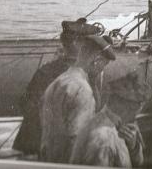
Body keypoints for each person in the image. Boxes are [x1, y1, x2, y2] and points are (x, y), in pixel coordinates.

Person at [14, 19, 102, 155]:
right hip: (53, 149)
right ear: (80, 45)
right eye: (91, 48)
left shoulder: (45, 70)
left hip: (32, 143)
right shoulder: (82, 76)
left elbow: (25, 105)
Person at [40, 34, 116, 163]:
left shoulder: (58, 82)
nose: (102, 70)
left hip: (49, 160)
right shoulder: (83, 90)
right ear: (97, 60)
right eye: (104, 64)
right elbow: (78, 140)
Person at [70, 70, 151, 167]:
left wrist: (133, 148)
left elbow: (137, 163)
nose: (137, 113)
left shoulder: (112, 123)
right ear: (131, 106)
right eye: (138, 106)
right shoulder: (103, 139)